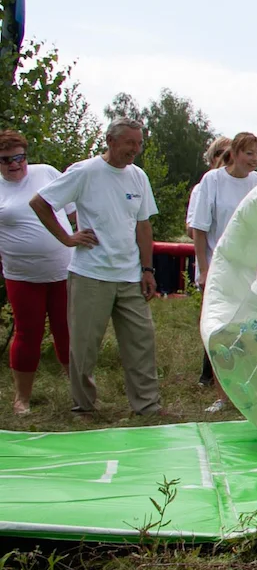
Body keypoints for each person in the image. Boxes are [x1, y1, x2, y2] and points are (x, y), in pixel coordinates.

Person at [29, 118, 164, 417]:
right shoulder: (85, 171)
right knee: (85, 347)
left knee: (141, 342)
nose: (135, 149)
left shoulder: (138, 176)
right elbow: (40, 203)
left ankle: (148, 407)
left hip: (130, 275)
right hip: (91, 274)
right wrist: (66, 237)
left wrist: (147, 269)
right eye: (130, 142)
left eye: (139, 143)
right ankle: (84, 407)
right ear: (110, 141)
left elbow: (143, 226)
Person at [190, 132, 257, 412]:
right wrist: (203, 268)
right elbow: (199, 228)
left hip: (252, 269)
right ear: (234, 153)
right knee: (219, 330)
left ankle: (251, 391)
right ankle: (223, 395)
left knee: (250, 330)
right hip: (219, 267)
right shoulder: (212, 180)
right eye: (249, 154)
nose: (255, 160)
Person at [0, 130, 74, 414]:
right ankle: (22, 399)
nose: (15, 164)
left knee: (66, 331)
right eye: (6, 160)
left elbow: (73, 212)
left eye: (20, 157)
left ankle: (78, 394)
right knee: (27, 333)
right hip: (22, 276)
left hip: (63, 271)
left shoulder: (47, 174)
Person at [187, 135, 231, 387]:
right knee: (214, 318)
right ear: (214, 158)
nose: (227, 158)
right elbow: (193, 228)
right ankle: (209, 374)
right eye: (222, 154)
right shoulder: (204, 186)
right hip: (213, 260)